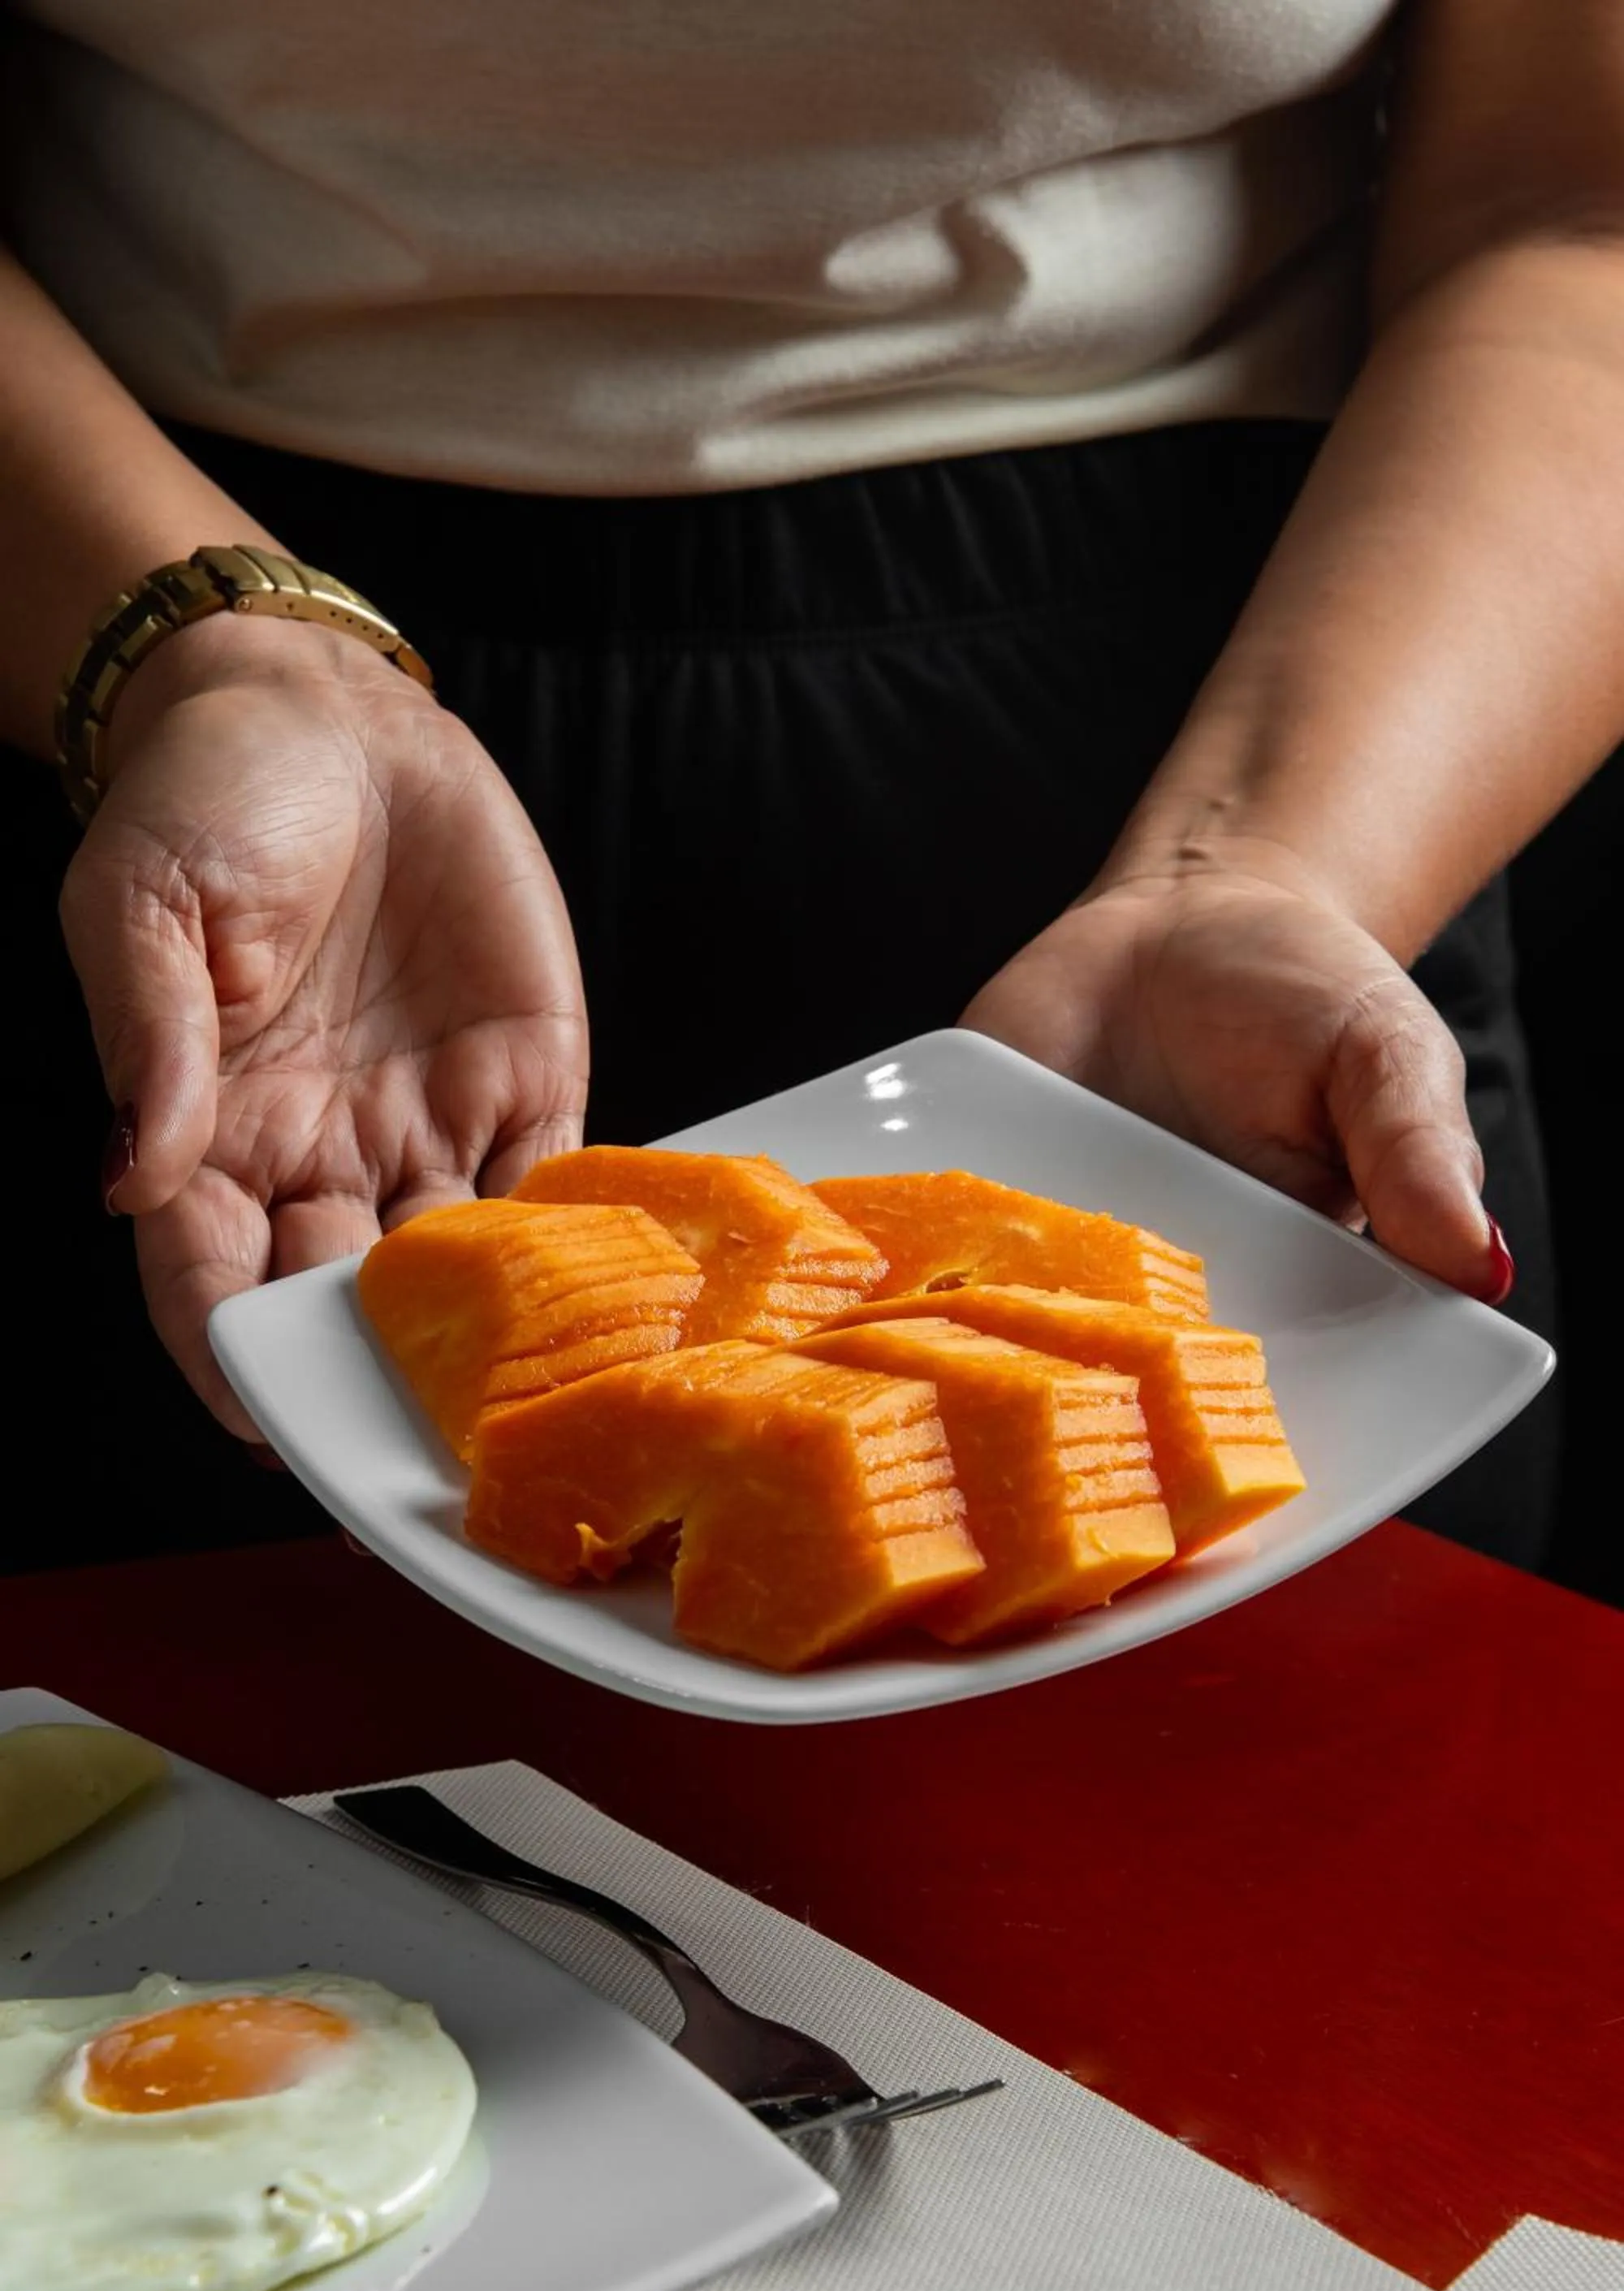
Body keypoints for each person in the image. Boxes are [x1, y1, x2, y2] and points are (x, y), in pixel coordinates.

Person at [1, 0, 1609, 1576]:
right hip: (173, 685)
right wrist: (194, 655)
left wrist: (1277, 866)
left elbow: (1576, 218)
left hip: (1301, 718)